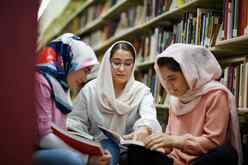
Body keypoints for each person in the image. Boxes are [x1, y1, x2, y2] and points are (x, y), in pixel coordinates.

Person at [139, 43, 242, 165]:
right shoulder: (175, 99)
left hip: (201, 159)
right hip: (174, 160)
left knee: (226, 153)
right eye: (164, 80)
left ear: (189, 72)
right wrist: (153, 144)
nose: (168, 86)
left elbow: (213, 142)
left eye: (172, 78)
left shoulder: (216, 95)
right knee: (134, 153)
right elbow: (169, 140)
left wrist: (176, 141)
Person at [67, 40, 162, 164]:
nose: (121, 69)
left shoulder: (141, 91)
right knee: (107, 150)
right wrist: (87, 140)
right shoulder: (90, 90)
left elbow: (149, 117)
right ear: (107, 63)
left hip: (130, 150)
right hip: (97, 147)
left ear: (133, 65)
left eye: (128, 64)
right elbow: (75, 122)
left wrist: (144, 129)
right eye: (116, 63)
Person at [33, 33, 111, 165]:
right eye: (85, 70)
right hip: (35, 148)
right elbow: (44, 137)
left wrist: (92, 149)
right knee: (72, 160)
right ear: (71, 60)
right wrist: (86, 158)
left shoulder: (62, 86)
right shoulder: (41, 81)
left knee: (105, 151)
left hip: (48, 147)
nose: (85, 78)